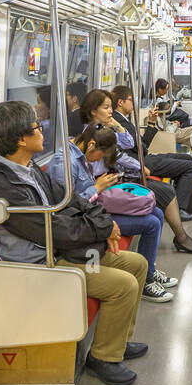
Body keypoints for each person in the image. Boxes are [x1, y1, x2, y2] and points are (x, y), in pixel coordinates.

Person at [0, 101, 148, 385]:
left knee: (137, 264)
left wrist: (104, 223)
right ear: (21, 139)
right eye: (36, 127)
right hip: (44, 262)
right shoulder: (3, 188)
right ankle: (104, 357)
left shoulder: (29, 169)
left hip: (61, 250)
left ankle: (118, 340)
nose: (42, 130)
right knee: (123, 286)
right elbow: (54, 231)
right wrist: (104, 228)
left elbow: (71, 198)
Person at [49, 124, 178, 302]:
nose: (97, 161)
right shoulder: (64, 163)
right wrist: (97, 187)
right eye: (100, 156)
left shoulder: (82, 154)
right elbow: (66, 206)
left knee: (157, 213)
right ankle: (147, 281)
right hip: (84, 220)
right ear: (92, 145)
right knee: (152, 223)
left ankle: (150, 271)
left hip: (95, 209)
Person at [81, 88, 192, 254]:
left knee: (178, 174)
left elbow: (128, 144)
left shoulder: (106, 128)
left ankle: (180, 236)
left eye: (110, 107)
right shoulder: (93, 135)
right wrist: (139, 166)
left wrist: (118, 126)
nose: (110, 111)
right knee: (165, 191)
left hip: (123, 172)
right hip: (111, 181)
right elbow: (124, 152)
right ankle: (181, 237)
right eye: (106, 107)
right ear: (93, 111)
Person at [110, 85, 192, 218]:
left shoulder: (124, 120)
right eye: (131, 100)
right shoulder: (118, 122)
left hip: (143, 156)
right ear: (120, 102)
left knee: (186, 158)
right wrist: (143, 146)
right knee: (191, 167)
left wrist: (151, 123)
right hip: (140, 161)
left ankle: (177, 199)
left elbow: (143, 145)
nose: (134, 103)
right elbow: (141, 147)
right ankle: (179, 210)